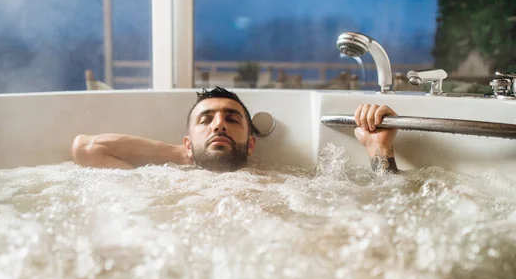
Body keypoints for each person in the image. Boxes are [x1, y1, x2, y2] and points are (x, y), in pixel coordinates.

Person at [71, 86, 399, 174]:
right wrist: (190, 155)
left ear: (252, 145)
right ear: (186, 143)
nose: (219, 125)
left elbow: (387, 206)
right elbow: (86, 148)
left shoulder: (290, 183)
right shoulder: (162, 182)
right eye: (207, 120)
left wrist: (378, 150)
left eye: (232, 119)